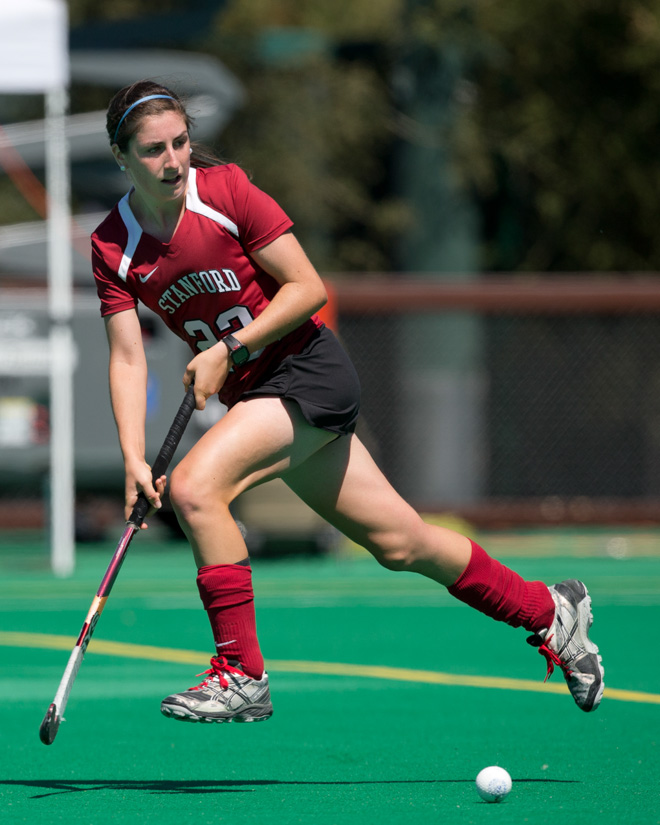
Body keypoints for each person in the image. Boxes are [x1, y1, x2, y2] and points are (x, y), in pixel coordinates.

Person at [92, 80, 605, 724]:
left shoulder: (224, 194)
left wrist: (232, 349)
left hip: (307, 373)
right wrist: (133, 458)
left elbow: (308, 288)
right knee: (401, 543)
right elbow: (127, 356)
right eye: (152, 150)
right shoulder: (113, 245)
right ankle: (550, 612)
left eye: (181, 143)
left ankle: (241, 674)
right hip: (256, 397)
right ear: (121, 156)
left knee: (196, 487)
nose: (172, 161)